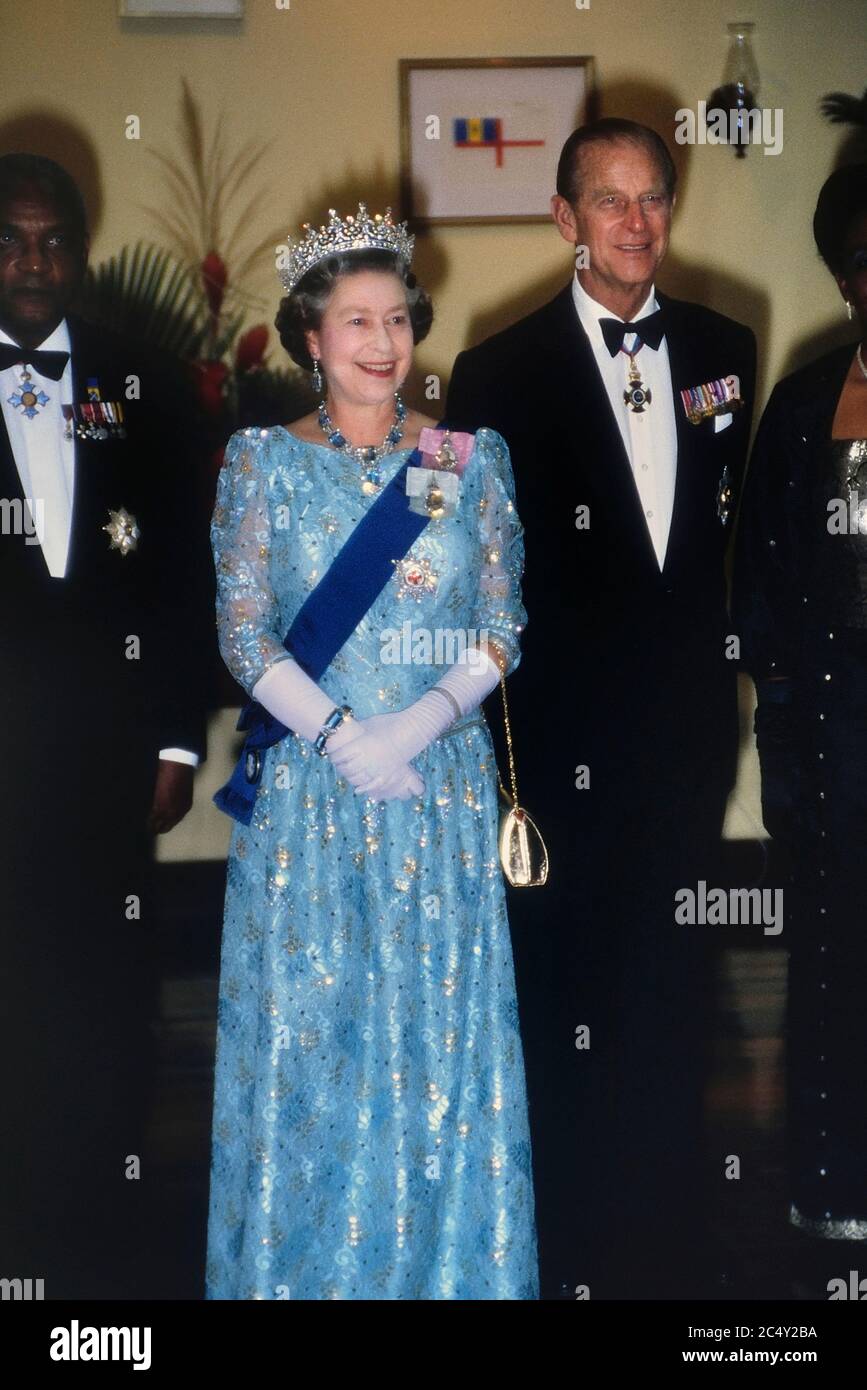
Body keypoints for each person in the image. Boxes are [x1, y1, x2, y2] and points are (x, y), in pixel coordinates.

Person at [447, 118, 757, 1298]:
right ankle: (567, 1243)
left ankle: (668, 1249)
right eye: (609, 202)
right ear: (565, 219)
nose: (636, 223)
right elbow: (480, 571)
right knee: (567, 996)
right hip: (561, 749)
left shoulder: (730, 347)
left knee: (675, 993)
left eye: (653, 199)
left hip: (684, 741)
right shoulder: (496, 370)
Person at [205, 206, 537, 1300]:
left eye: (397, 316)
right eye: (355, 319)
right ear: (309, 335)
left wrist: (418, 723)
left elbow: (501, 621)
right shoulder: (259, 462)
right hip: (314, 797)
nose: (383, 341)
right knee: (316, 1056)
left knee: (441, 1059)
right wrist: (347, 736)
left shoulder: (463, 457)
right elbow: (244, 632)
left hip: (433, 790)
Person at [0, 154, 206, 1297]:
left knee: (108, 1002)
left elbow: (181, 574)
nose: (32, 262)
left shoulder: (148, 382)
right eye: (10, 240)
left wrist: (178, 740)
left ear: (79, 250)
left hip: (106, 765)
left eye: (51, 241)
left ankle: (105, 1249)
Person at [733, 164, 867, 1267]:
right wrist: (780, 733)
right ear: (841, 274)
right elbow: (763, 589)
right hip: (835, 736)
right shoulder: (802, 405)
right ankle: (835, 1194)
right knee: (833, 961)